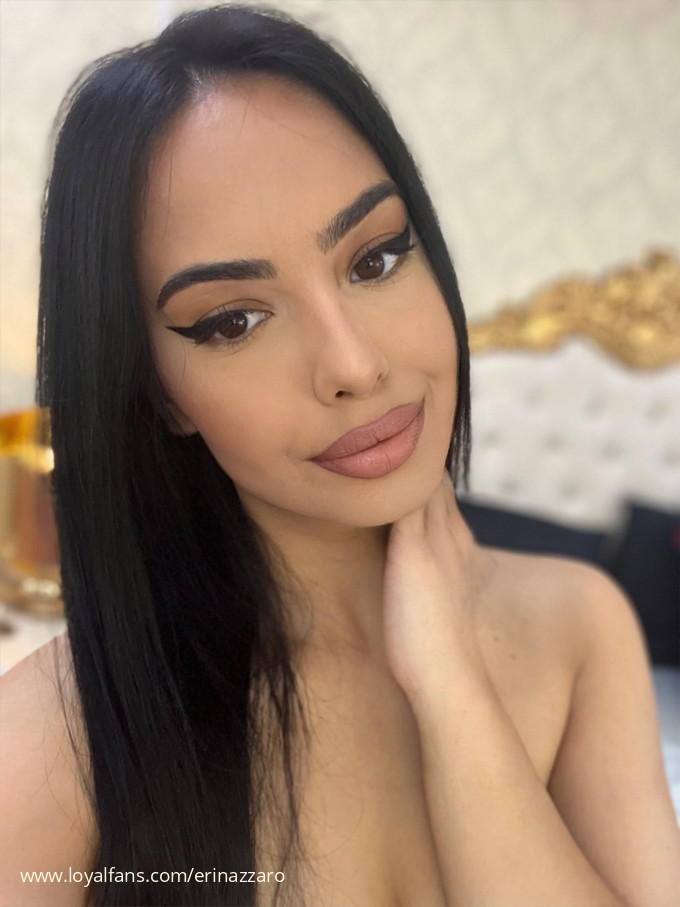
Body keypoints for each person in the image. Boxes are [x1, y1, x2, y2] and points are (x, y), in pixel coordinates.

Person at [1, 4, 678, 906]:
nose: (354, 366)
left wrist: (453, 692)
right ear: (157, 394)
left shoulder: (580, 627)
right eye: (233, 321)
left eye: (376, 260)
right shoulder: (58, 732)